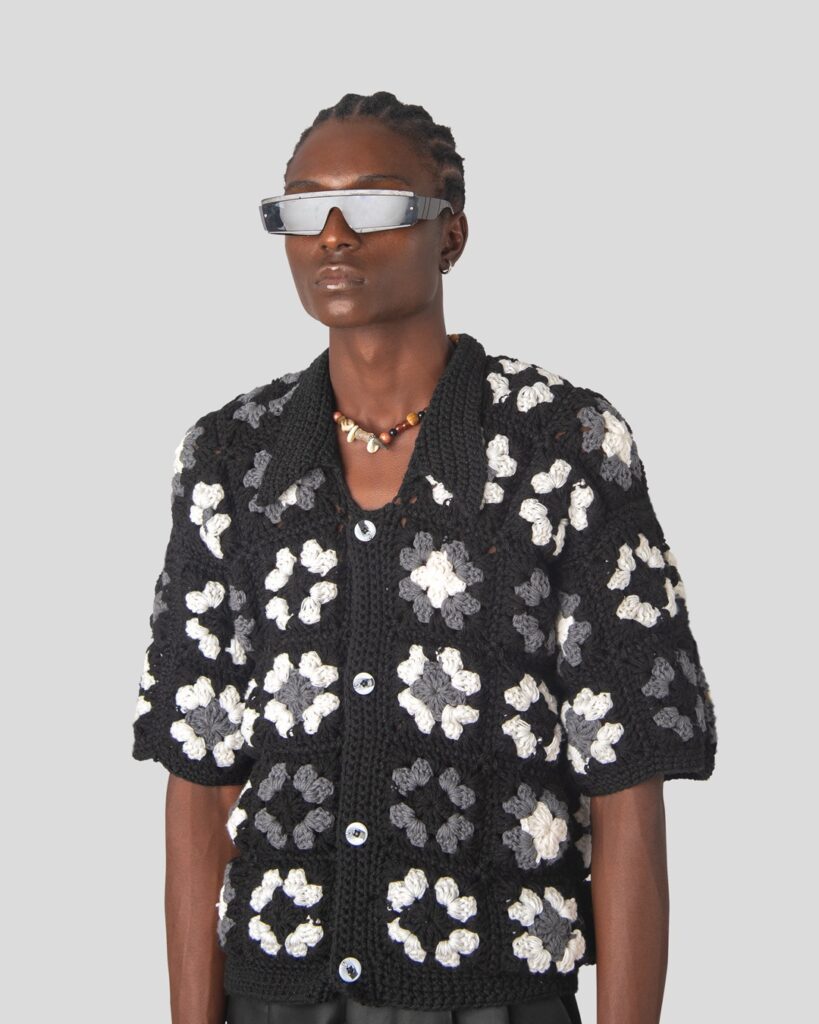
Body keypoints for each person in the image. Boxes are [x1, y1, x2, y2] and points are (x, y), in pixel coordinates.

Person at [131, 91, 717, 1024]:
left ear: (451, 234)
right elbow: (199, 782)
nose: (332, 235)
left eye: (372, 203)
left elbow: (625, 784)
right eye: (302, 208)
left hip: (493, 994)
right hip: (272, 996)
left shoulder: (561, 447)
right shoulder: (230, 459)